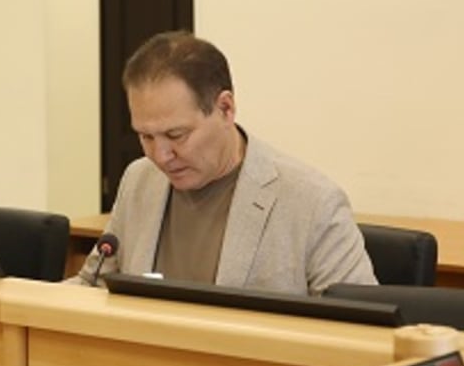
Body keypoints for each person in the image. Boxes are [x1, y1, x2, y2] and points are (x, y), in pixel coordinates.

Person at [74, 31, 376, 295]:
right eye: (146, 137)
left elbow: (359, 327)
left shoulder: (312, 203)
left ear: (225, 108)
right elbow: (92, 286)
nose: (160, 156)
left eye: (176, 135)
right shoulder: (139, 180)